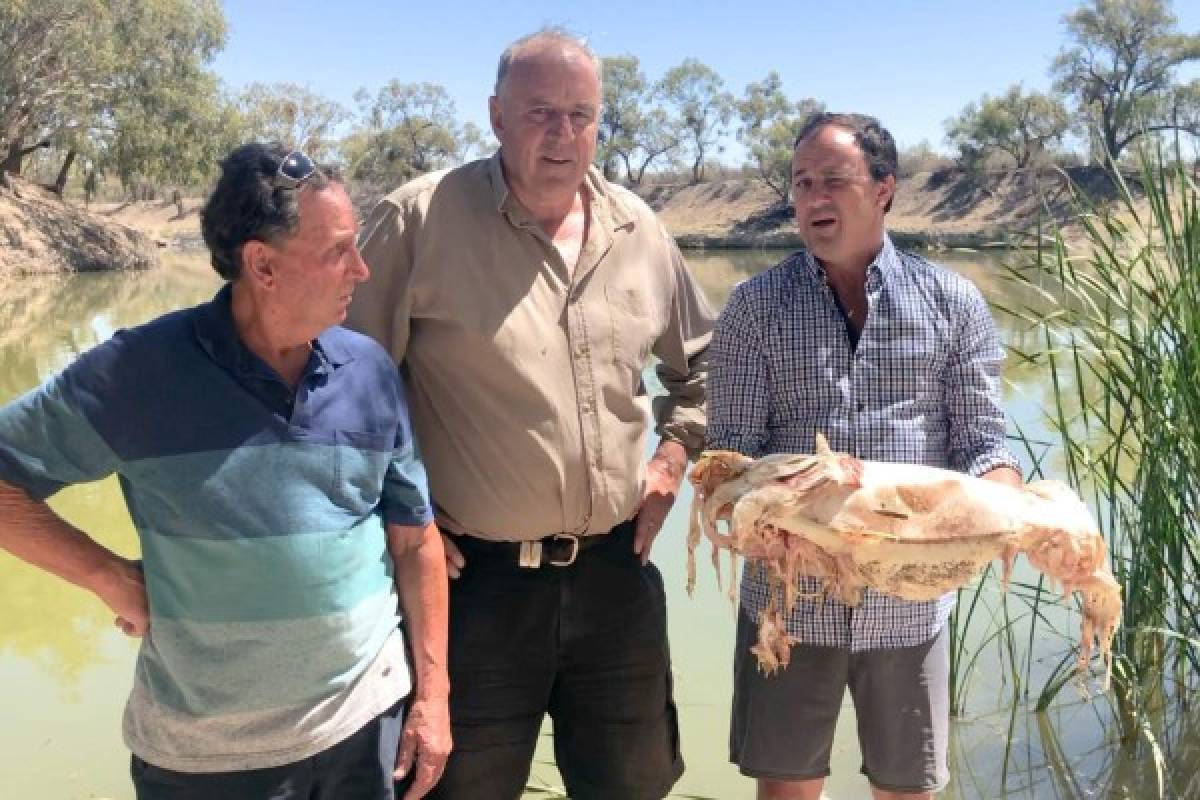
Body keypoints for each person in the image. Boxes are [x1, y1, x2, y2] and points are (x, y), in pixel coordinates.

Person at [0, 142, 451, 800]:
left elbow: (415, 542)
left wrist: (432, 699)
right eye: (337, 252)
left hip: (367, 731)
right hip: (206, 761)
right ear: (262, 265)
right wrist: (108, 576)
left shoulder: (370, 370)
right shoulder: (139, 374)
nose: (361, 269)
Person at [347, 28, 714, 800]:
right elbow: (339, 390)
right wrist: (400, 513)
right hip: (472, 587)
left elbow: (703, 370)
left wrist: (671, 462)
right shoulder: (418, 221)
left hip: (619, 575)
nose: (563, 133)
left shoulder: (637, 229)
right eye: (540, 111)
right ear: (495, 116)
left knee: (634, 787)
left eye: (581, 114)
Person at [708, 113, 1022, 800]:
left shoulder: (954, 302)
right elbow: (729, 459)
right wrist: (771, 511)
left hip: (910, 600)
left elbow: (981, 442)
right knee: (788, 789)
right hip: (789, 602)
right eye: (801, 183)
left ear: (884, 189)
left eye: (834, 181)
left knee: (908, 790)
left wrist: (1006, 500)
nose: (814, 198)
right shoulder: (752, 308)